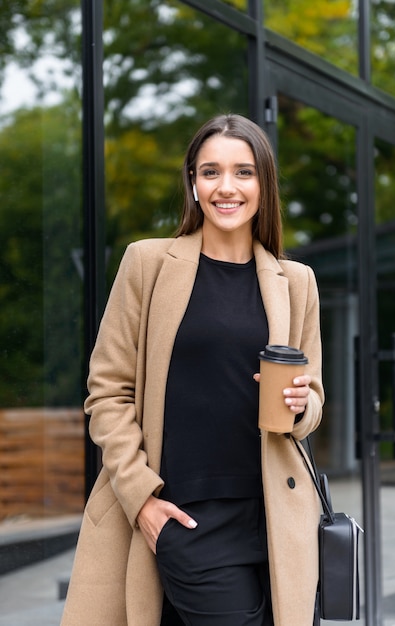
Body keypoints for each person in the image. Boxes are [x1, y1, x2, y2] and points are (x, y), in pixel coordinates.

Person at [61, 113, 324, 626]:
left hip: (276, 520)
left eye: (243, 172)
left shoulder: (296, 281)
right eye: (211, 172)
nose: (227, 187)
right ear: (193, 184)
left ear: (264, 185)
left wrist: (300, 405)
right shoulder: (148, 264)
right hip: (185, 515)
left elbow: (312, 397)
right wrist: (141, 500)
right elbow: (107, 393)